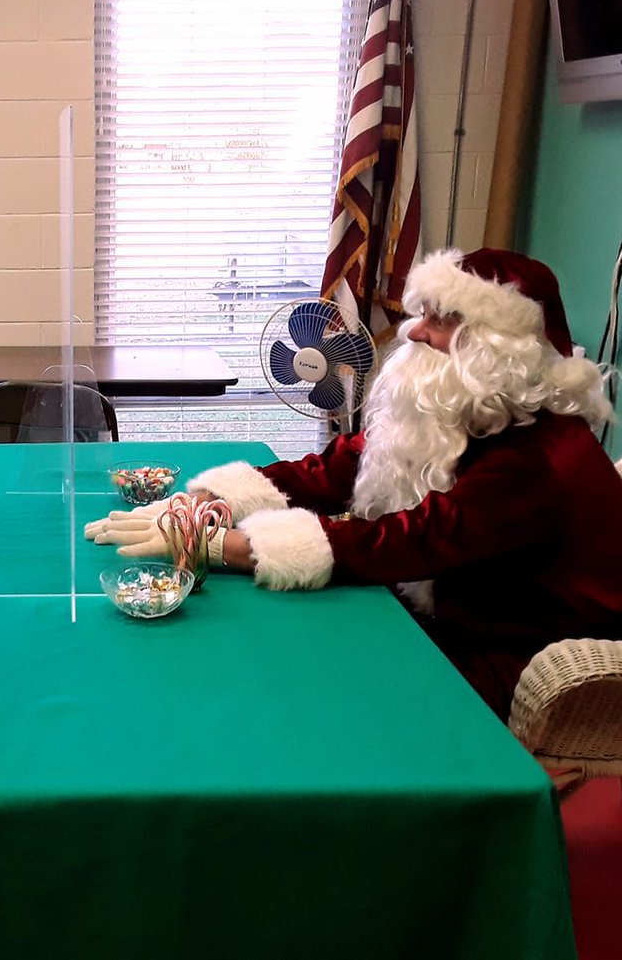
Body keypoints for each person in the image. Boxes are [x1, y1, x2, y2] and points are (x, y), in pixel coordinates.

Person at [88, 248, 622, 719]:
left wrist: (216, 544)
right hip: (452, 617)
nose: (414, 332)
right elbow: (343, 465)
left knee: (326, 692)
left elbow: (413, 540)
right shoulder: (467, 411)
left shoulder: (540, 458)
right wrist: (210, 500)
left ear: (496, 349)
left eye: (438, 322)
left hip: (529, 658)